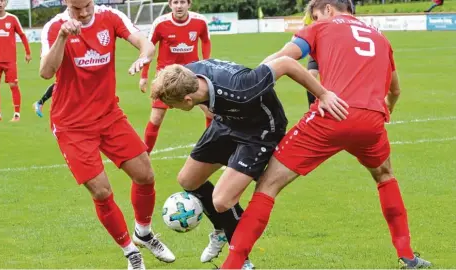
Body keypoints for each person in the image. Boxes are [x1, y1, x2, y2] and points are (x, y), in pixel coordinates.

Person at [221, 0, 432, 268]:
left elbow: (285, 57)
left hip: (332, 115)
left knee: (268, 185)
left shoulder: (322, 27)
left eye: (316, 15)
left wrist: (246, 79)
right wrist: (381, 114)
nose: (314, 20)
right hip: (372, 121)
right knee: (385, 176)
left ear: (328, 9)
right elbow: (395, 91)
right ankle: (408, 256)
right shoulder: (380, 37)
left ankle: (232, 264)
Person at [150, 58, 347, 268]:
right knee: (188, 180)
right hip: (227, 122)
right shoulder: (185, 74)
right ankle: (221, 231)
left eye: (172, 106)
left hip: (260, 132)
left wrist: (323, 94)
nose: (171, 108)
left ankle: (242, 261)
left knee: (222, 200)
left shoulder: (242, 88)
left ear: (188, 100)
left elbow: (286, 63)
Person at [39, 1, 175, 269]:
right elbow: (46, 72)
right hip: (72, 126)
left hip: (109, 116)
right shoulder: (54, 27)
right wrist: (63, 37)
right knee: (102, 192)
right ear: (67, 3)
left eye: (87, 5)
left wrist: (144, 56)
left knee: (145, 175)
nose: (85, 12)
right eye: (78, 8)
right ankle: (130, 252)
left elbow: (144, 42)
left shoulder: (109, 16)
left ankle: (144, 233)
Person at [140, 0, 213, 156]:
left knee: (211, 113)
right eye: (175, 2)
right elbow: (149, 48)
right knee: (156, 118)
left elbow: (206, 41)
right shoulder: (160, 23)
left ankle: (212, 153)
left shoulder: (200, 21)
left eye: (182, 2)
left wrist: (207, 66)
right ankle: (145, 156)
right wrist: (144, 75)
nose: (179, 6)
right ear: (170, 4)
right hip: (166, 79)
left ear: (189, 4)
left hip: (192, 76)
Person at [0, 0, 32, 122]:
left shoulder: (12, 18)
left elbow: (22, 35)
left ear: (5, 3)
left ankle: (17, 115)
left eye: (2, 1)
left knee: (13, 85)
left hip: (9, 60)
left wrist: (28, 52)